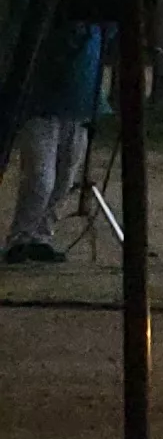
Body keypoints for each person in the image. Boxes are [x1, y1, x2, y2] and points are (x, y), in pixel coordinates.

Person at [4, 17, 110, 265]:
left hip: (78, 105)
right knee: (41, 178)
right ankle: (20, 238)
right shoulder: (49, 16)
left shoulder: (96, 24)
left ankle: (42, 236)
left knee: (64, 179)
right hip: (40, 105)